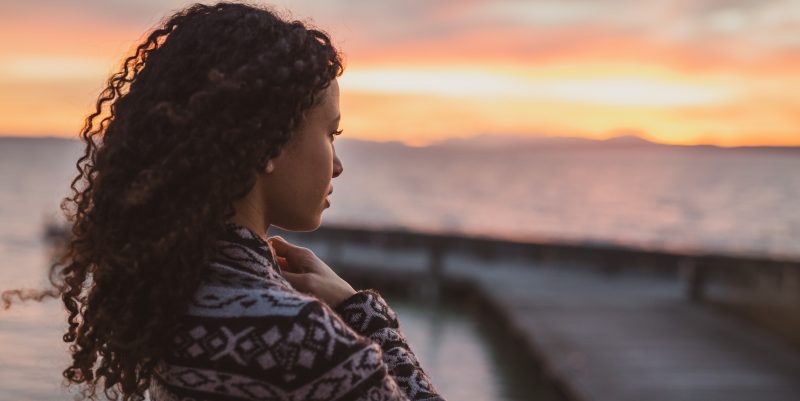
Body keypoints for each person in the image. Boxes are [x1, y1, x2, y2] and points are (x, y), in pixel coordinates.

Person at [7, 2, 446, 400]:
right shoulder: (308, 344)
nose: (337, 167)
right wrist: (365, 315)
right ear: (268, 144)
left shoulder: (170, 295)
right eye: (331, 134)